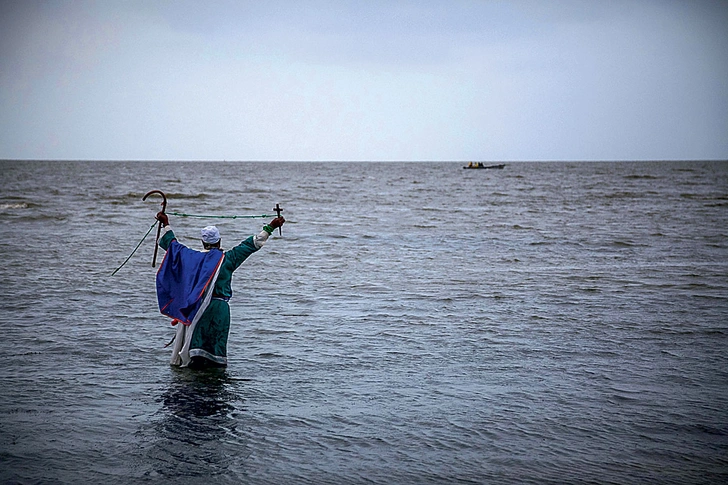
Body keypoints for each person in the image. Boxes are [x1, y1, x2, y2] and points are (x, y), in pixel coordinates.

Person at [155, 211, 285, 368]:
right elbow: (251, 244)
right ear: (219, 241)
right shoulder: (228, 259)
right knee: (215, 354)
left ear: (203, 242)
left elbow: (173, 246)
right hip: (219, 309)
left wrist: (166, 223)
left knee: (196, 353)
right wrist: (271, 226)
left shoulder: (192, 258)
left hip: (198, 308)